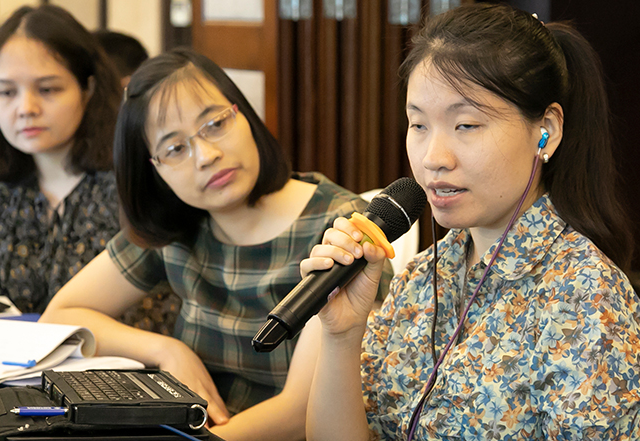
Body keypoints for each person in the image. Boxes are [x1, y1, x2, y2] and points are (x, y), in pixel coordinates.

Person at [302, 4, 640, 440]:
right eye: (418, 124)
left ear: (545, 129)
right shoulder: (421, 277)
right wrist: (342, 335)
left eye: (467, 125)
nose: (434, 158)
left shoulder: (585, 298)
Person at [40, 47, 393, 440]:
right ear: (154, 170)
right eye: (175, 149)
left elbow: (298, 413)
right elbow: (61, 316)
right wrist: (168, 351)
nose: (206, 155)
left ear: (243, 114)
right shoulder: (180, 224)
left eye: (215, 124)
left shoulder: (339, 228)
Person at [0, 5, 121, 314]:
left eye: (47, 89)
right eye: (7, 92)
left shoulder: (127, 188)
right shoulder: (6, 188)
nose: (26, 108)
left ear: (87, 88)